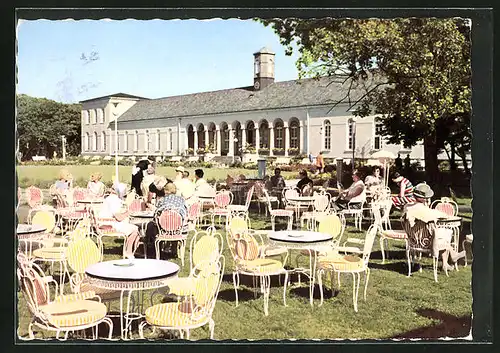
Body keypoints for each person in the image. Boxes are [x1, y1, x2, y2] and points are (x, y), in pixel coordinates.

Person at [402, 183, 465, 271]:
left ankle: (446, 262)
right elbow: (440, 215)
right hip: (426, 242)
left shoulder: (407, 207)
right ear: (423, 198)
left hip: (413, 239)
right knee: (447, 232)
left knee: (441, 233)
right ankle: (451, 256)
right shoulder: (423, 210)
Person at [144, 182, 187, 256]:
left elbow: (157, 214)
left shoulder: (162, 200)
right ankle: (174, 250)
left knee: (152, 225)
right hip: (178, 229)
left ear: (166, 191)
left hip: (163, 229)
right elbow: (185, 213)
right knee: (174, 223)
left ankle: (155, 248)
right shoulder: (182, 200)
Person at [98, 188, 141, 258]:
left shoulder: (110, 198)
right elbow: (119, 218)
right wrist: (127, 213)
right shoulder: (114, 200)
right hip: (108, 224)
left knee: (133, 228)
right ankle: (129, 252)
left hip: (105, 222)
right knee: (136, 229)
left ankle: (130, 250)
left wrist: (125, 213)